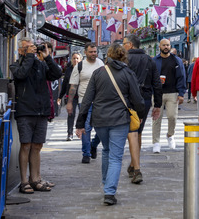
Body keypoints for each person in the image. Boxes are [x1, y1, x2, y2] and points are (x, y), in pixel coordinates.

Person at [76, 43, 145, 206]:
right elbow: (137, 98)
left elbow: (87, 100)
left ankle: (106, 183)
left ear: (108, 56)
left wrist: (80, 122)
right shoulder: (128, 73)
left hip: (99, 120)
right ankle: (109, 191)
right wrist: (140, 114)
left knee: (107, 150)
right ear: (123, 57)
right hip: (119, 120)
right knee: (115, 156)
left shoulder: (98, 73)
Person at [11, 38, 63, 194]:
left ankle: (35, 179)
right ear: (20, 51)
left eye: (33, 47)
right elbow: (21, 75)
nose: (32, 50)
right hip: (25, 110)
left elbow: (56, 73)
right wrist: (29, 57)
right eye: (28, 48)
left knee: (37, 146)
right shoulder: (16, 65)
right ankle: (24, 181)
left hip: (41, 110)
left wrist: (47, 57)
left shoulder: (40, 64)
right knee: (25, 145)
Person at [123, 35, 162, 184]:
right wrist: (157, 105)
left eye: (124, 43)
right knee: (137, 131)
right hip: (144, 99)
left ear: (130, 45)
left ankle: (135, 166)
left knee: (131, 132)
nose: (123, 46)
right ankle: (134, 164)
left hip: (128, 99)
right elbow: (157, 83)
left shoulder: (125, 60)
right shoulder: (149, 60)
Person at [67, 42, 105, 163]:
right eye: (91, 52)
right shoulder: (79, 66)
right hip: (84, 101)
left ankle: (93, 145)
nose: (93, 54)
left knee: (102, 128)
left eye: (95, 52)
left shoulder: (101, 64)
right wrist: (69, 103)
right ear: (85, 52)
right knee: (86, 127)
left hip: (100, 100)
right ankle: (86, 153)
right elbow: (73, 86)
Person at [152, 39, 186, 153]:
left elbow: (181, 76)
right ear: (160, 46)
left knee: (172, 117)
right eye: (164, 45)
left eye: (167, 45)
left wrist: (181, 93)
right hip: (157, 93)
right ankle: (156, 142)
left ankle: (170, 135)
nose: (166, 47)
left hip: (172, 93)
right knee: (157, 118)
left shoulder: (176, 60)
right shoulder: (155, 61)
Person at [59, 52, 81, 141]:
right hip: (71, 96)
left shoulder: (83, 69)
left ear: (80, 60)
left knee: (83, 115)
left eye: (77, 58)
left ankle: (81, 131)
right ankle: (70, 133)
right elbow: (64, 84)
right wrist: (60, 96)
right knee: (71, 114)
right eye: (74, 58)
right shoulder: (69, 70)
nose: (75, 60)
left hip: (82, 95)